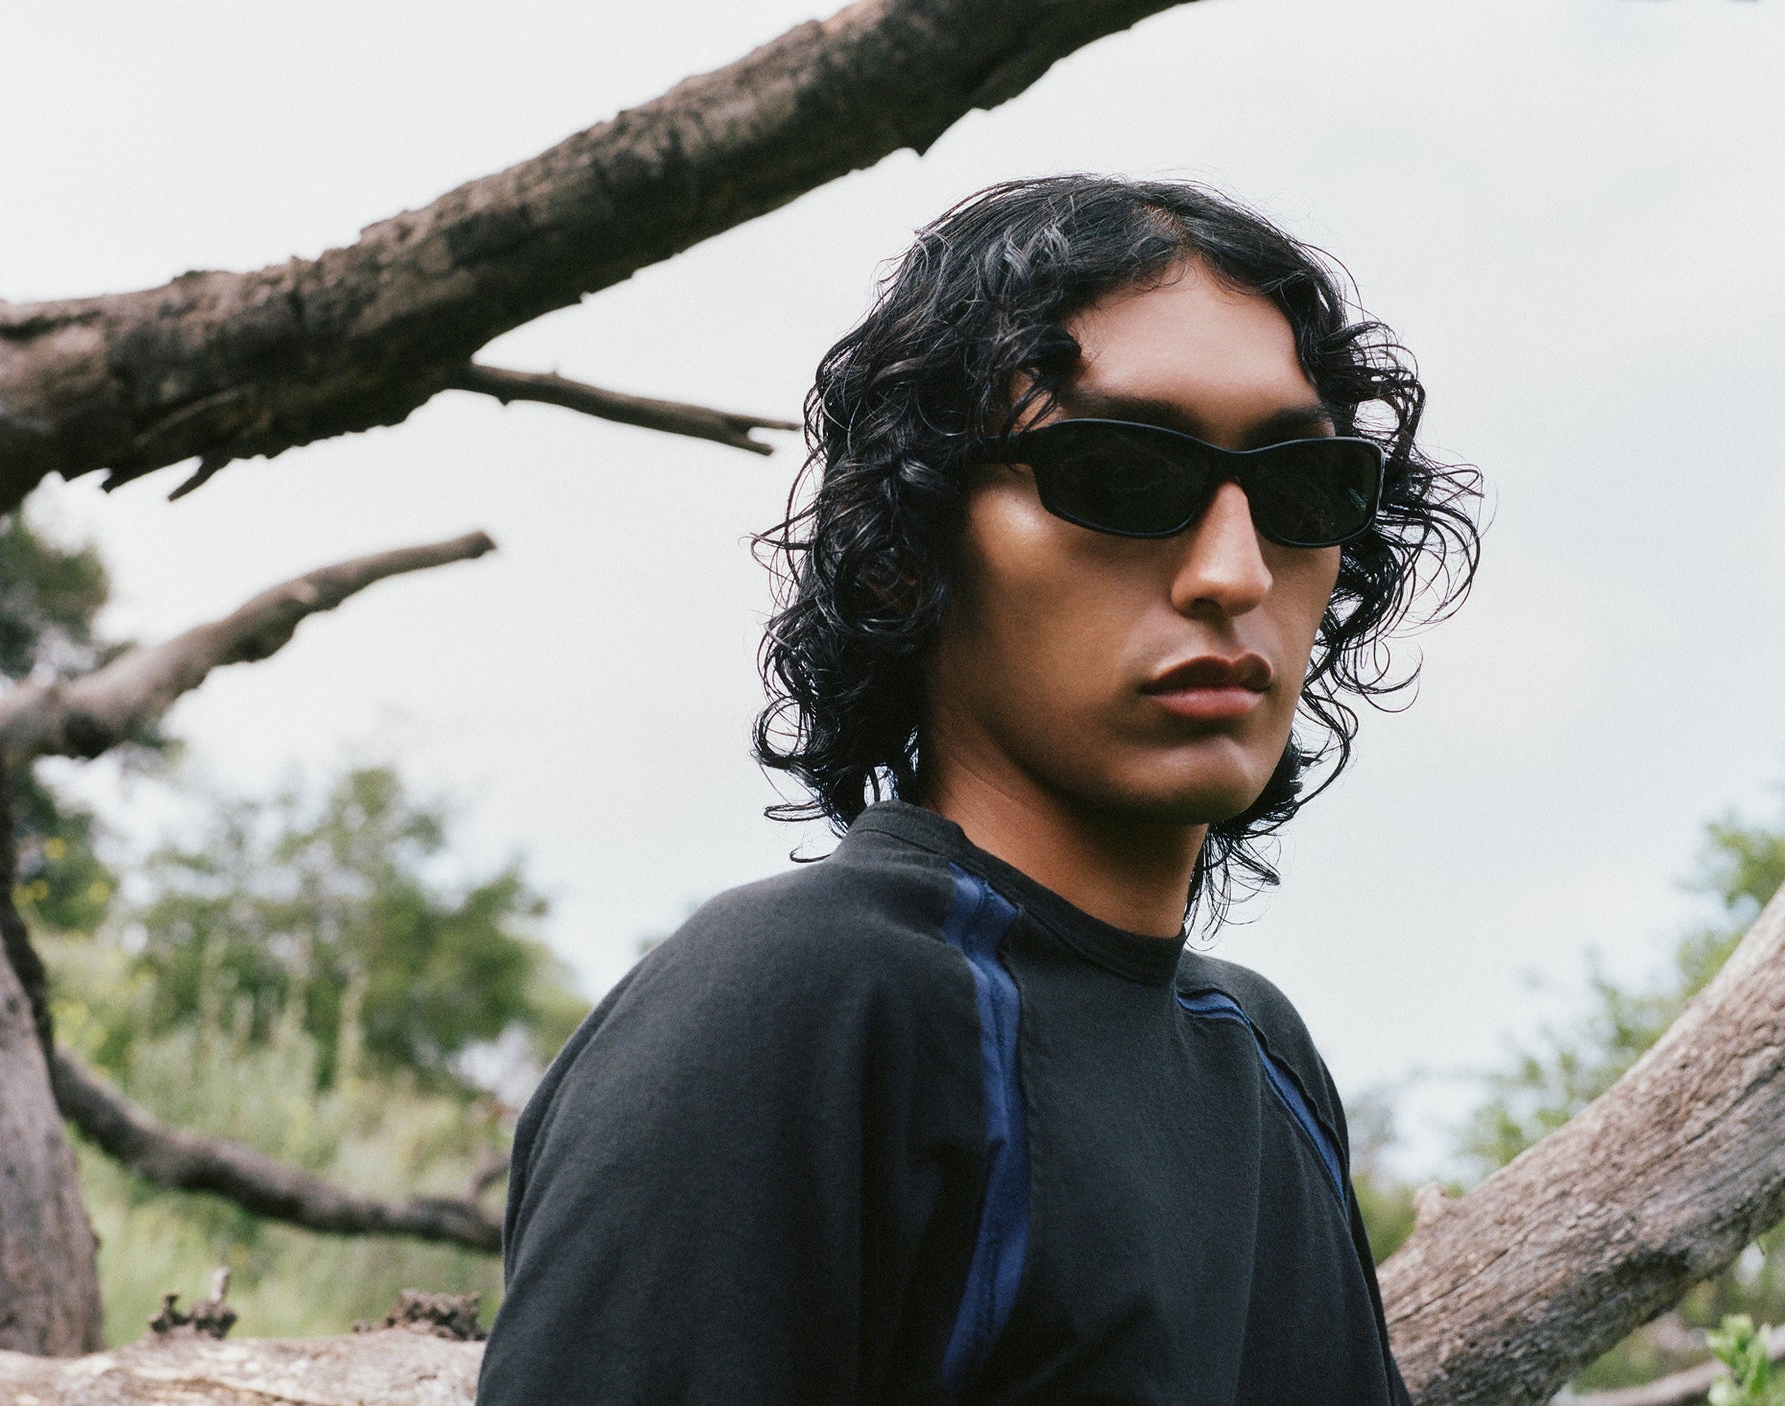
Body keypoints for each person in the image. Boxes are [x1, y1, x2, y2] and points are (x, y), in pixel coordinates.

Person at [475, 176, 1480, 1405]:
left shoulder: (1257, 1057)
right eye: (1120, 472)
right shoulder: (798, 1010)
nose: (1234, 571)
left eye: (1300, 486)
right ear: (911, 548)